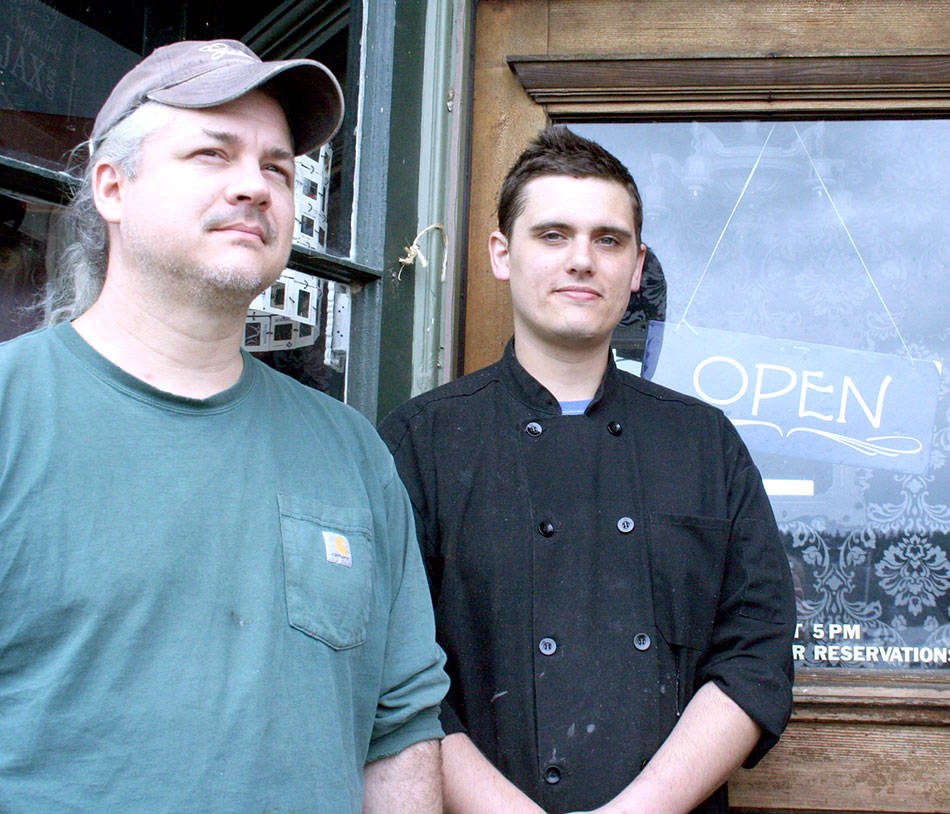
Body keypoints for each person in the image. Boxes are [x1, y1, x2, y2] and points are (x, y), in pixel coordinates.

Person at [0, 40, 448, 812]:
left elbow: (400, 730)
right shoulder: (12, 410)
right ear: (112, 186)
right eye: (214, 153)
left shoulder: (350, 451)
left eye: (277, 167)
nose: (255, 186)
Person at [379, 126, 795, 814]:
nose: (582, 260)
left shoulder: (703, 442)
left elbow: (756, 655)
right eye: (552, 235)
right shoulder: (421, 441)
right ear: (501, 254)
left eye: (608, 240)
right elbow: (397, 676)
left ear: (636, 269)